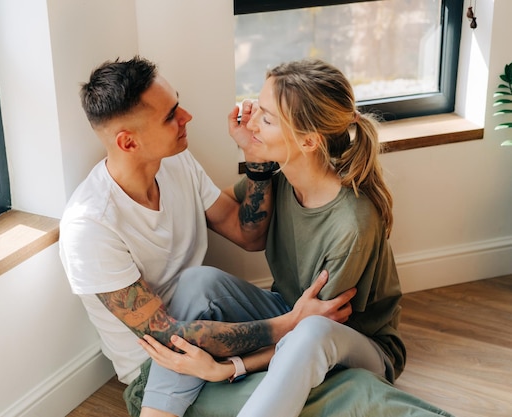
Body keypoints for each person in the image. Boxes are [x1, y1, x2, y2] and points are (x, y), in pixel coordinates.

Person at [58, 56, 356, 417]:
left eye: (177, 105)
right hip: (162, 369)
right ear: (128, 142)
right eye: (170, 116)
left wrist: (255, 159)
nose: (187, 117)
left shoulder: (174, 162)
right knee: (326, 398)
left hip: (219, 333)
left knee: (320, 378)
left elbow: (248, 235)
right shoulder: (89, 227)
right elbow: (168, 337)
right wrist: (290, 324)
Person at [139, 58, 406, 417]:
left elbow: (314, 329)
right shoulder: (282, 178)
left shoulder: (352, 226)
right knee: (197, 280)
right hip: (292, 311)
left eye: (265, 118)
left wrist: (228, 367)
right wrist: (252, 155)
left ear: (308, 140)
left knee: (309, 334)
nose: (250, 122)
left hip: (355, 346)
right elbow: (225, 207)